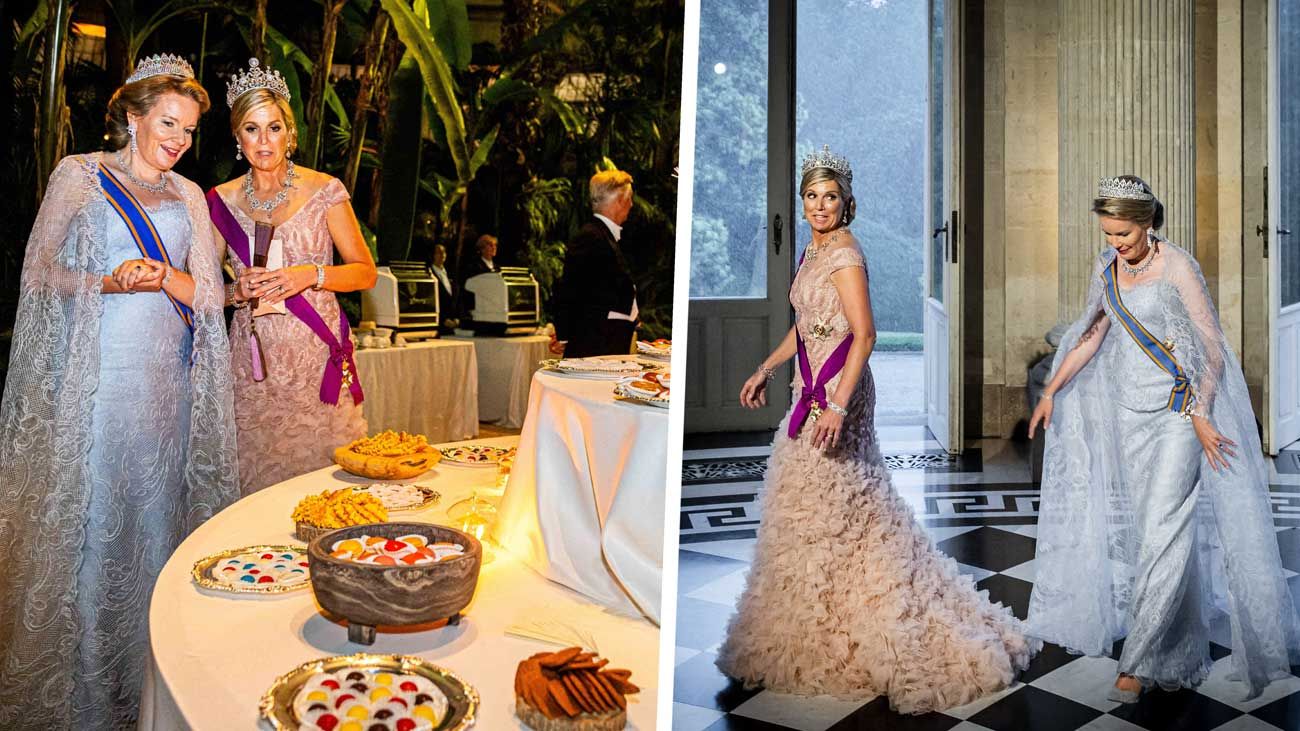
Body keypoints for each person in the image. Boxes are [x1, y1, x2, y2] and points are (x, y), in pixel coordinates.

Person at [714, 146, 1038, 714]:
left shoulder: (845, 254)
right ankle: (809, 619)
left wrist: (838, 406)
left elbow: (863, 334)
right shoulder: (812, 252)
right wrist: (766, 367)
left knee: (834, 497)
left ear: (847, 203)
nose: (820, 206)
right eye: (812, 196)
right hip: (807, 387)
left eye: (830, 197)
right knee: (807, 501)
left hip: (841, 390)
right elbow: (807, 327)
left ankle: (863, 615)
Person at [0, 54, 239, 727]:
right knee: (101, 527)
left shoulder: (191, 196)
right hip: (101, 387)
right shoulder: (79, 176)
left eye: (189, 130)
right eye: (168, 122)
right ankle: (91, 697)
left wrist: (163, 275)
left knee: (158, 520)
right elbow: (39, 275)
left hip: (167, 392)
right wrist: (107, 281)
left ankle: (155, 682)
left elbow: (211, 296)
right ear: (131, 117)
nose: (178, 140)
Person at [1027, 175, 1300, 702]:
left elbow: (1211, 348)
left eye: (1123, 235)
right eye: (1108, 236)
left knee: (1162, 530)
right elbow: (1091, 335)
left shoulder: (1177, 267)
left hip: (1180, 410)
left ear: (1147, 223)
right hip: (1132, 415)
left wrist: (1199, 412)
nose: (1115, 245)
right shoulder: (1108, 268)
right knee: (1157, 532)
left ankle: (1138, 661)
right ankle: (1177, 649)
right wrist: (1052, 390)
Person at [206, 59, 376, 495]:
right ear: (236, 136)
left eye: (274, 127)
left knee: (323, 484)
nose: (264, 141)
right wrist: (235, 289)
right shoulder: (220, 201)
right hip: (252, 364)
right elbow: (204, 292)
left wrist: (311, 274)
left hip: (315, 357)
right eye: (251, 128)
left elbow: (365, 273)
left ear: (290, 131)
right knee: (256, 484)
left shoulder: (325, 191)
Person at [550, 169, 639, 358]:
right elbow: (568, 287)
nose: (631, 205)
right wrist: (565, 337)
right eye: (629, 199)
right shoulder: (591, 236)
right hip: (596, 342)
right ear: (619, 202)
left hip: (608, 338)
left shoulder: (604, 236)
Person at [430, 243, 459, 329]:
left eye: (444, 252)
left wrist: (457, 318)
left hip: (453, 323)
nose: (442, 255)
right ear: (433, 255)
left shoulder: (450, 273)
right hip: (439, 324)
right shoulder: (430, 274)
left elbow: (457, 298)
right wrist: (443, 319)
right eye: (439, 252)